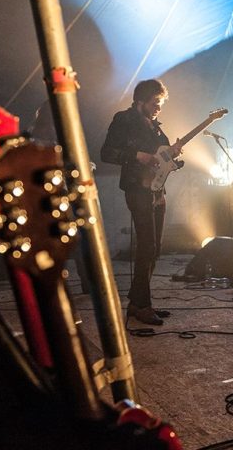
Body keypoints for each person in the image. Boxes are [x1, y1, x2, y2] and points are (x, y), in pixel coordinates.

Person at [101, 79, 181, 325]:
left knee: (154, 248)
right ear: (141, 101)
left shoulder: (155, 127)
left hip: (157, 191)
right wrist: (138, 155)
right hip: (137, 189)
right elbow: (106, 153)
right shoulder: (124, 120)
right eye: (156, 102)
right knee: (146, 246)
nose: (159, 107)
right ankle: (142, 305)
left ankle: (137, 303)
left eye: (161, 103)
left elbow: (160, 160)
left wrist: (173, 158)